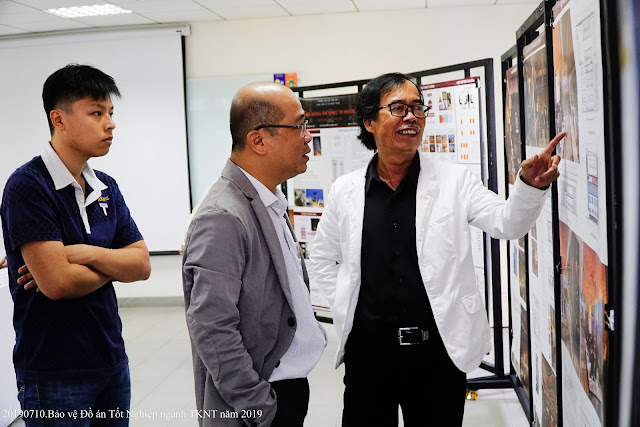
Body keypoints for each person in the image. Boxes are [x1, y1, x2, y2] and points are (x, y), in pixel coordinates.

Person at [308, 72, 564, 427]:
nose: (411, 117)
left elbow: (506, 223)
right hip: (368, 353)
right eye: (398, 108)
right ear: (369, 122)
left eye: (418, 108)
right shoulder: (345, 190)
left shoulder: (455, 181)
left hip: (438, 351)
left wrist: (528, 187)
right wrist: (343, 304)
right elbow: (322, 258)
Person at [0, 64, 151, 426]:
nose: (110, 124)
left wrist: (86, 254)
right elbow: (58, 283)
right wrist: (113, 265)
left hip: (111, 360)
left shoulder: (105, 186)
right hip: (55, 373)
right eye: (97, 113)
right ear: (59, 119)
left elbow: (142, 265)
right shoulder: (28, 186)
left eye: (110, 113)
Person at [182, 82, 327, 427]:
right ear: (258, 140)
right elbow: (211, 325)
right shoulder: (223, 216)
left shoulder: (266, 200)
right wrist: (258, 407)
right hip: (259, 403)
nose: (308, 137)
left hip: (284, 388)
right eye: (299, 126)